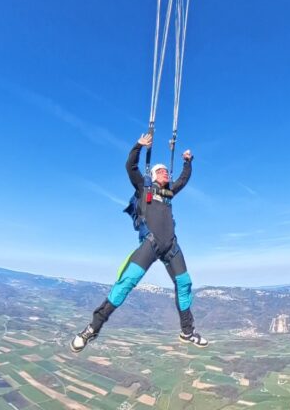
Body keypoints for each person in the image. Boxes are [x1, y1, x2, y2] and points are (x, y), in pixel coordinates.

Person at [71, 133, 208, 352]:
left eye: (166, 171)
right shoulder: (144, 188)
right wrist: (139, 146)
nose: (165, 173)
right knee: (126, 282)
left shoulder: (169, 193)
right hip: (151, 244)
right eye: (161, 171)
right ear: (153, 175)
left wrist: (187, 162)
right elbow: (131, 167)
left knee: (185, 283)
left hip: (171, 246)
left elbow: (183, 179)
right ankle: (92, 329)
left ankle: (187, 331)